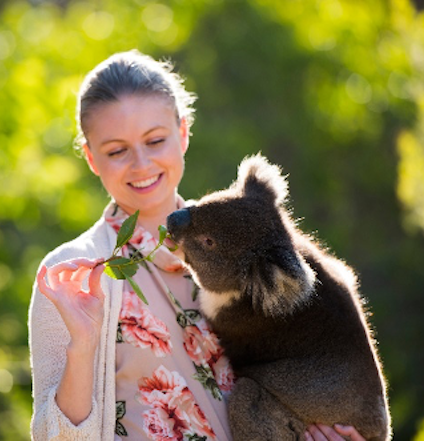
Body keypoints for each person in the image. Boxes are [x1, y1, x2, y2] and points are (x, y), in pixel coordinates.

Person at [29, 50, 367, 441]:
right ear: (91, 157)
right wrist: (83, 343)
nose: (141, 164)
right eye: (117, 150)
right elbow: (52, 437)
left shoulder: (249, 247)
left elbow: (325, 371)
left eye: (155, 140)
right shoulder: (70, 274)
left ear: (184, 133)